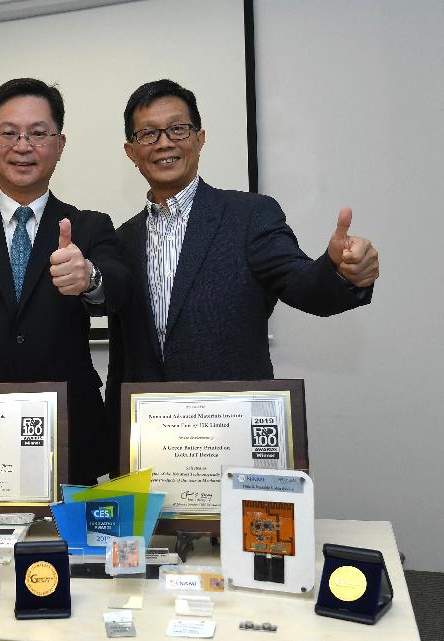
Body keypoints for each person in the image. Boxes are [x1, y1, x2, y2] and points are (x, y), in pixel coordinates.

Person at [107, 79, 379, 424]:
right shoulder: (121, 240)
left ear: (199, 138)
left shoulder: (249, 216)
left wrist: (341, 271)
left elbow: (304, 284)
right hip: (147, 438)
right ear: (132, 151)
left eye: (178, 129)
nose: (164, 143)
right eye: (148, 134)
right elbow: (121, 359)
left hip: (233, 429)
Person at [0, 78, 131, 485]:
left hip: (68, 433)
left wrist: (90, 277)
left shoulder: (87, 225)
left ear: (60, 144)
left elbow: (119, 287)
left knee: (69, 549)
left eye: (38, 133)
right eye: (9, 133)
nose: (22, 146)